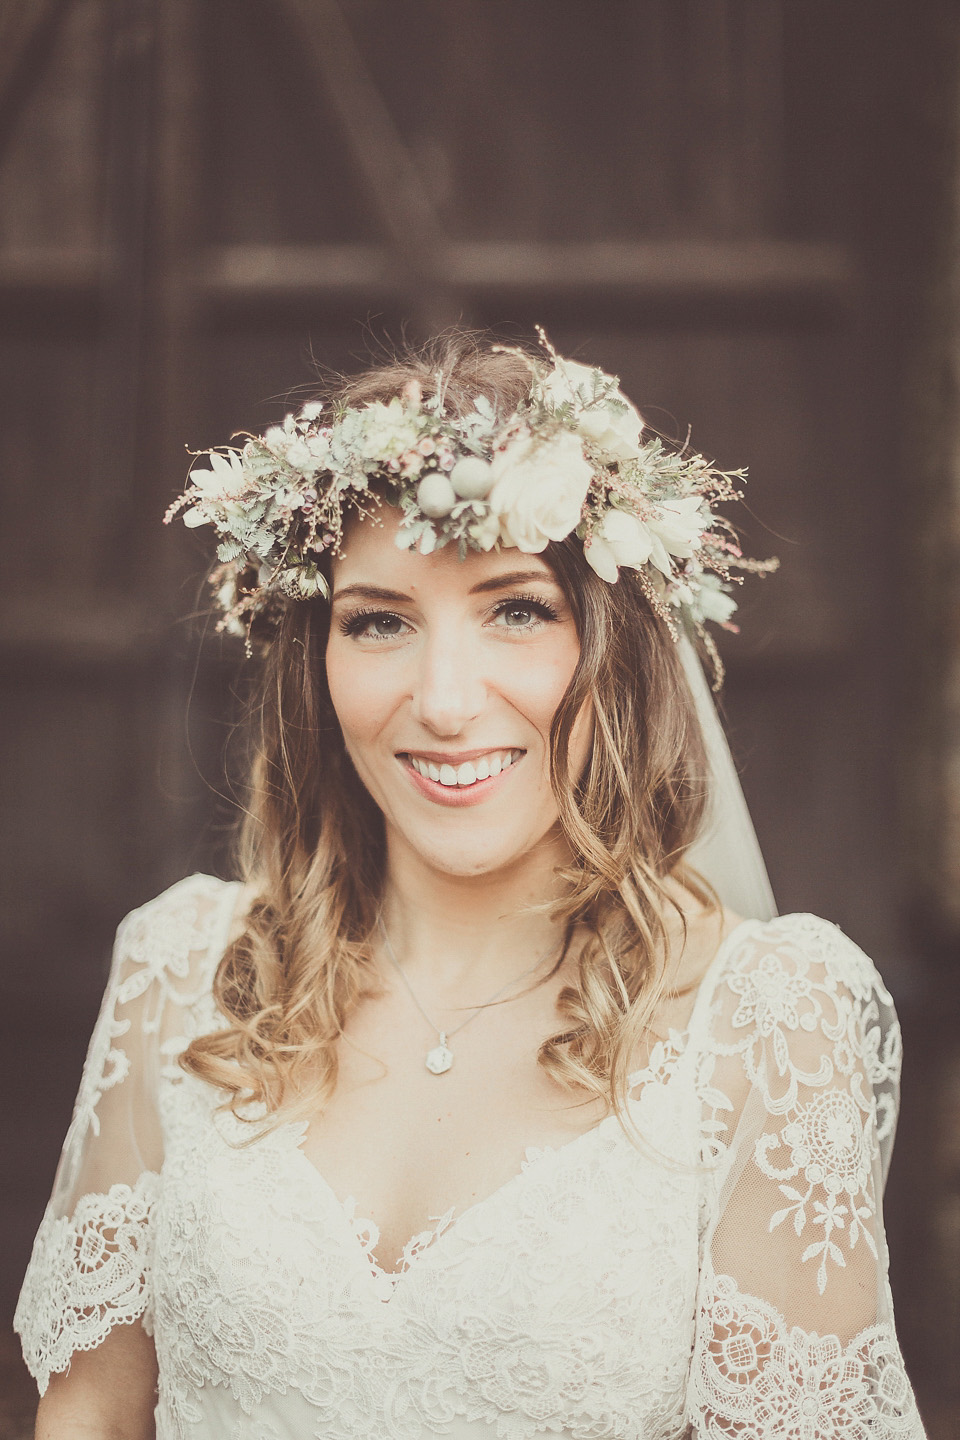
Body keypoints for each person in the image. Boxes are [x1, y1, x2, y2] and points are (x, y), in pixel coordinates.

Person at [16, 332, 925, 1439]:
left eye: (518, 608)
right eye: (381, 621)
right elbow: (90, 1418)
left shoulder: (767, 1019)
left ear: (619, 649)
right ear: (318, 657)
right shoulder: (177, 972)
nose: (445, 700)